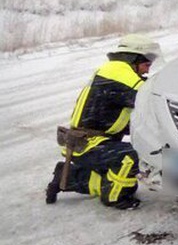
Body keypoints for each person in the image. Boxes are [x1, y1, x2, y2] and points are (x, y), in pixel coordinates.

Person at [45, 34, 162, 210]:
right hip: (88, 143)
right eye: (146, 65)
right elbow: (150, 99)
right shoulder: (118, 72)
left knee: (127, 179)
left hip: (88, 141)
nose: (147, 71)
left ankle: (68, 177)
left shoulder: (115, 71)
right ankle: (114, 198)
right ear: (132, 58)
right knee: (133, 156)